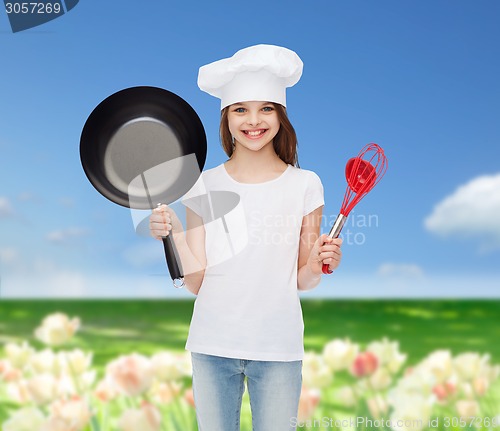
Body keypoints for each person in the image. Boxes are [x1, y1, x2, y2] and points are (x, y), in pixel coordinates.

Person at [150, 44, 342, 431]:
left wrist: (321, 261)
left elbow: (303, 279)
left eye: (266, 108)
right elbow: (196, 282)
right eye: (241, 109)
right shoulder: (203, 184)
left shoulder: (306, 184)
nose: (253, 121)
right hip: (212, 342)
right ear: (226, 117)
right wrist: (173, 235)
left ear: (280, 116)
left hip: (278, 346)